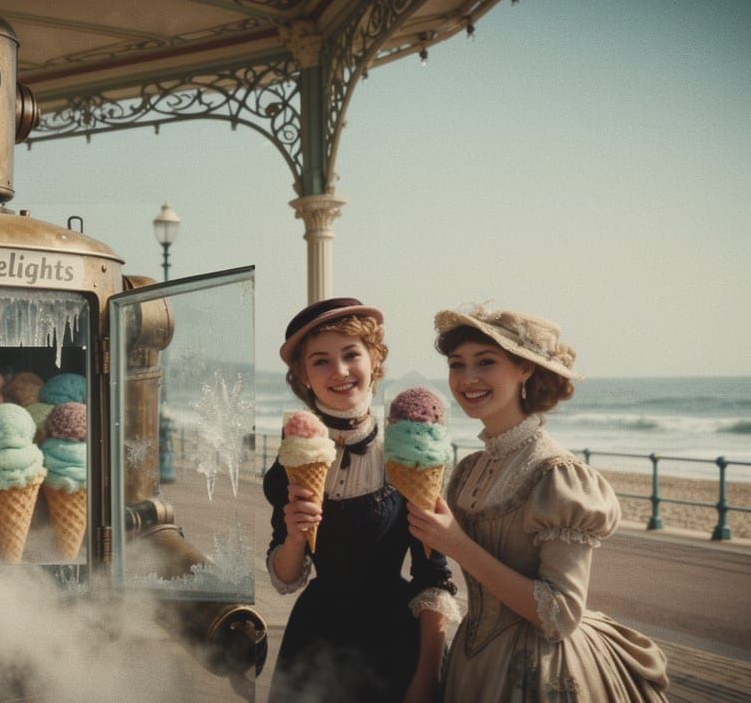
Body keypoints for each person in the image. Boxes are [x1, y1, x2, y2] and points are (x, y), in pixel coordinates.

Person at [408, 304, 669, 701]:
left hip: (539, 669)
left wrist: (457, 545)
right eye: (457, 365)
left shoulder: (559, 476)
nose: (467, 378)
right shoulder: (467, 470)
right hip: (470, 665)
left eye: (486, 362)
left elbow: (561, 615)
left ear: (525, 368)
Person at [263, 297, 458, 703]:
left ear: (375, 359)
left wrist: (426, 678)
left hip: (395, 643)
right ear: (303, 375)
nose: (339, 371)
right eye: (320, 361)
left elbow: (433, 577)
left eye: (351, 354)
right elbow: (285, 578)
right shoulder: (293, 458)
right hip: (314, 643)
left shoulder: (407, 451)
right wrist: (296, 535)